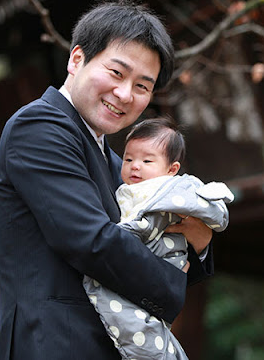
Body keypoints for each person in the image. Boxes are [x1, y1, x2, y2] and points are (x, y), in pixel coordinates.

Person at [0, 0, 215, 359]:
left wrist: (199, 243)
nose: (125, 94)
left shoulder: (118, 163)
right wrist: (172, 284)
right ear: (76, 59)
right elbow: (91, 240)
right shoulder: (39, 126)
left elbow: (151, 240)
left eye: (143, 86)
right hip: (52, 344)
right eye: (116, 73)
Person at [83, 117, 233, 360]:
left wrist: (201, 241)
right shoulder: (118, 179)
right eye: (129, 159)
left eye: (146, 161)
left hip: (158, 275)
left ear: (171, 169)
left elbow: (170, 220)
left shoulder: (166, 191)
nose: (134, 166)